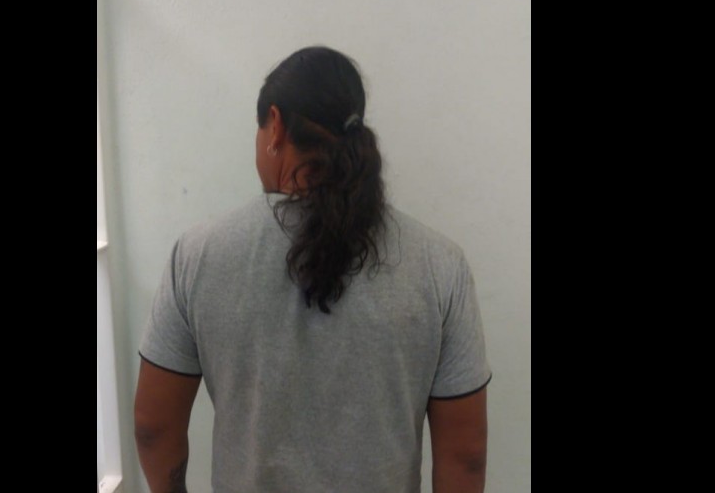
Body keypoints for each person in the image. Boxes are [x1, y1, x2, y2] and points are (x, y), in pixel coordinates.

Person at [134, 46, 492, 493]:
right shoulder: (440, 265)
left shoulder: (197, 256)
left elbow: (153, 428)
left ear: (275, 126)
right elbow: (466, 456)